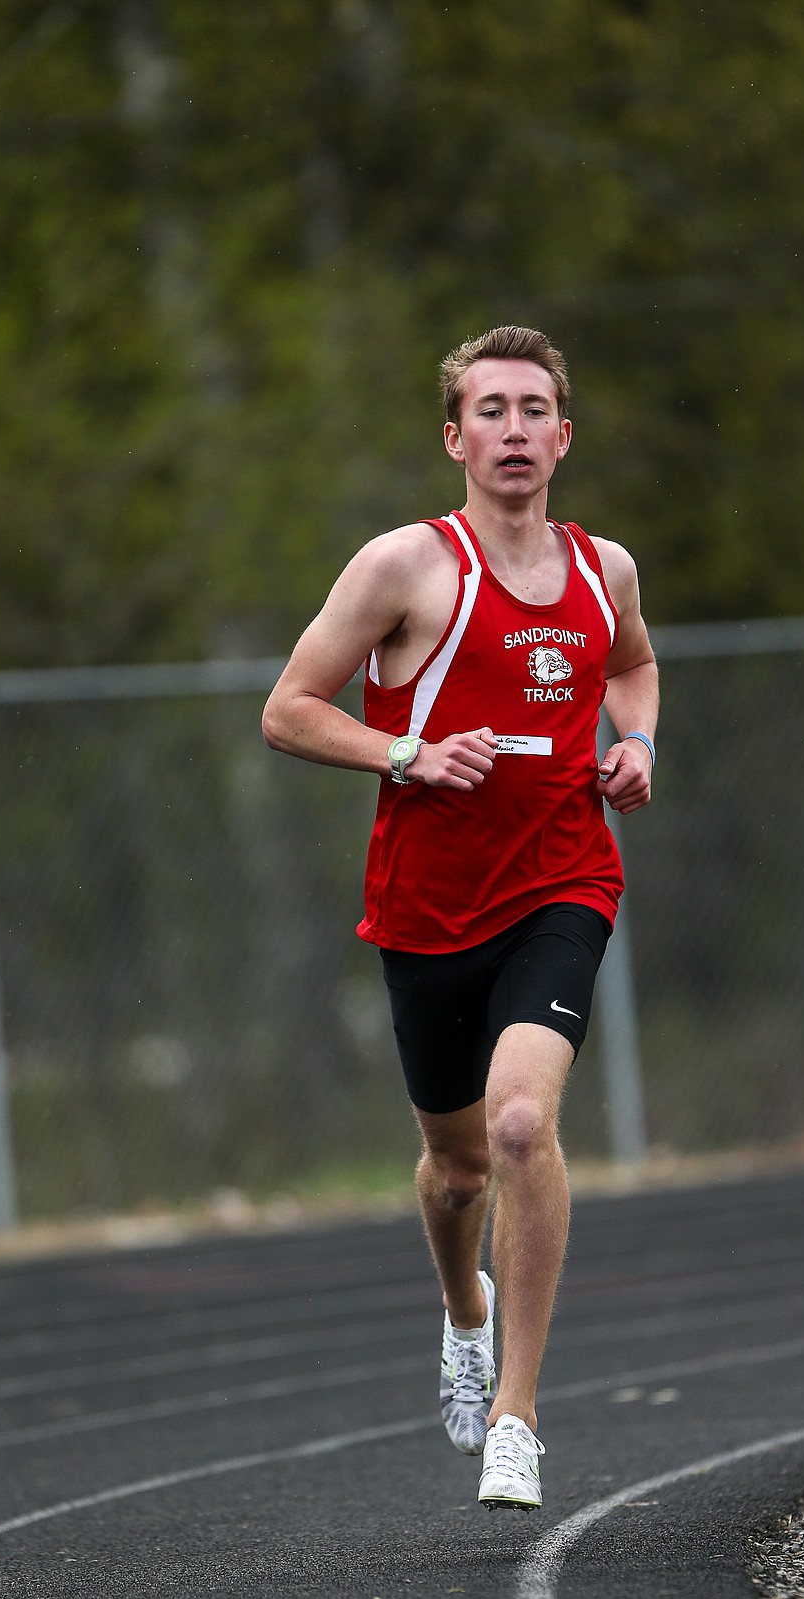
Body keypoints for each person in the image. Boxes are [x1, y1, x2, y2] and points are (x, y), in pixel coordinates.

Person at [262, 325, 658, 1509]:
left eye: (535, 410)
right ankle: (462, 1311)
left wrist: (635, 742)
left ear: (565, 436)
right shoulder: (404, 568)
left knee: (525, 1123)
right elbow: (287, 710)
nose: (515, 430)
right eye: (491, 410)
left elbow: (634, 667)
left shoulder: (606, 571)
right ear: (456, 438)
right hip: (429, 910)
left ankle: (516, 1420)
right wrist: (407, 754)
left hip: (564, 883)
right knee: (454, 1166)